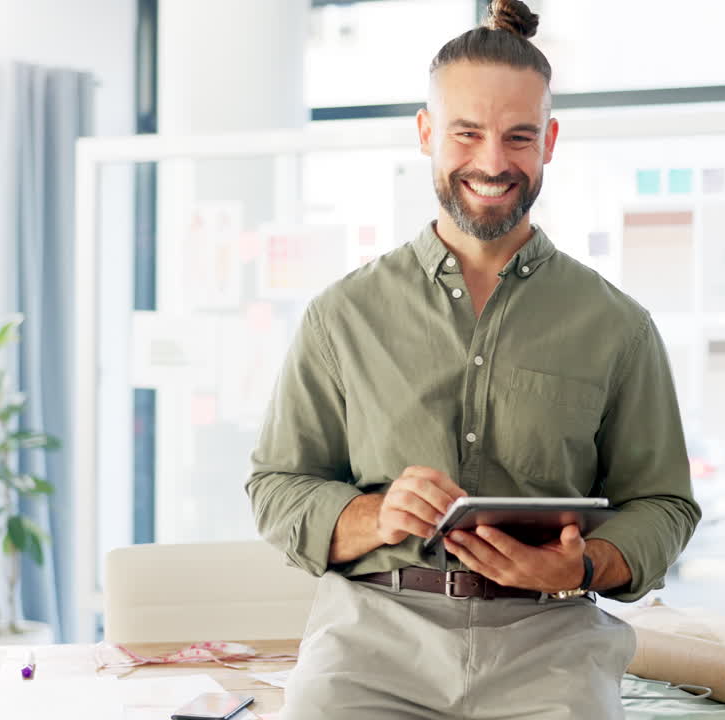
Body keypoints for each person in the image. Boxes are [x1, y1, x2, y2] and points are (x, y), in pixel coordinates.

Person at [247, 1, 700, 717]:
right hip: (370, 643)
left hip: (550, 644)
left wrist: (582, 565)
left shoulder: (619, 326)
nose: (493, 163)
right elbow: (276, 486)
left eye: (518, 137)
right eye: (467, 134)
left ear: (549, 141)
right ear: (427, 133)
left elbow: (665, 504)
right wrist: (376, 514)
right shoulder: (342, 315)